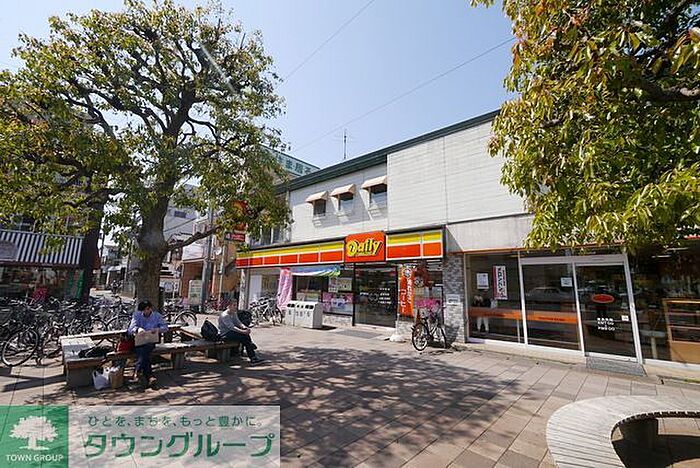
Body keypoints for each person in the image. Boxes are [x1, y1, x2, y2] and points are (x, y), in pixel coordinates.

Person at [127, 300, 168, 387]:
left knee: (145, 349)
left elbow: (165, 327)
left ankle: (138, 370)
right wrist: (138, 329)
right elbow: (130, 329)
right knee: (144, 351)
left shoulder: (157, 316)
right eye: (143, 310)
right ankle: (149, 376)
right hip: (139, 340)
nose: (145, 312)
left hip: (151, 340)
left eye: (147, 309)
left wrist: (157, 329)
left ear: (150, 308)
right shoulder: (137, 315)